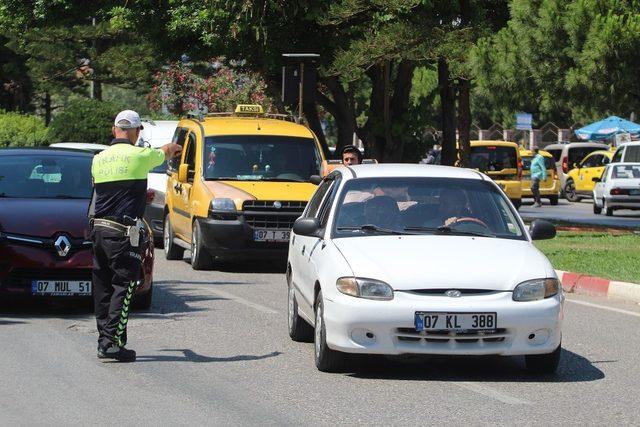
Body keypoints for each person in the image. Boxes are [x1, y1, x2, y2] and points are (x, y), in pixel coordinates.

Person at [90, 110, 182, 362]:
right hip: (121, 233)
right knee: (126, 284)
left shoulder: (98, 159)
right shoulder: (140, 155)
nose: (139, 135)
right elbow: (164, 151)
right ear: (134, 131)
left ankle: (105, 340)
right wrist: (174, 147)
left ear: (114, 130)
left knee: (103, 286)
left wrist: (140, 196)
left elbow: (108, 193)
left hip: (98, 230)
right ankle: (111, 342)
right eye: (139, 130)